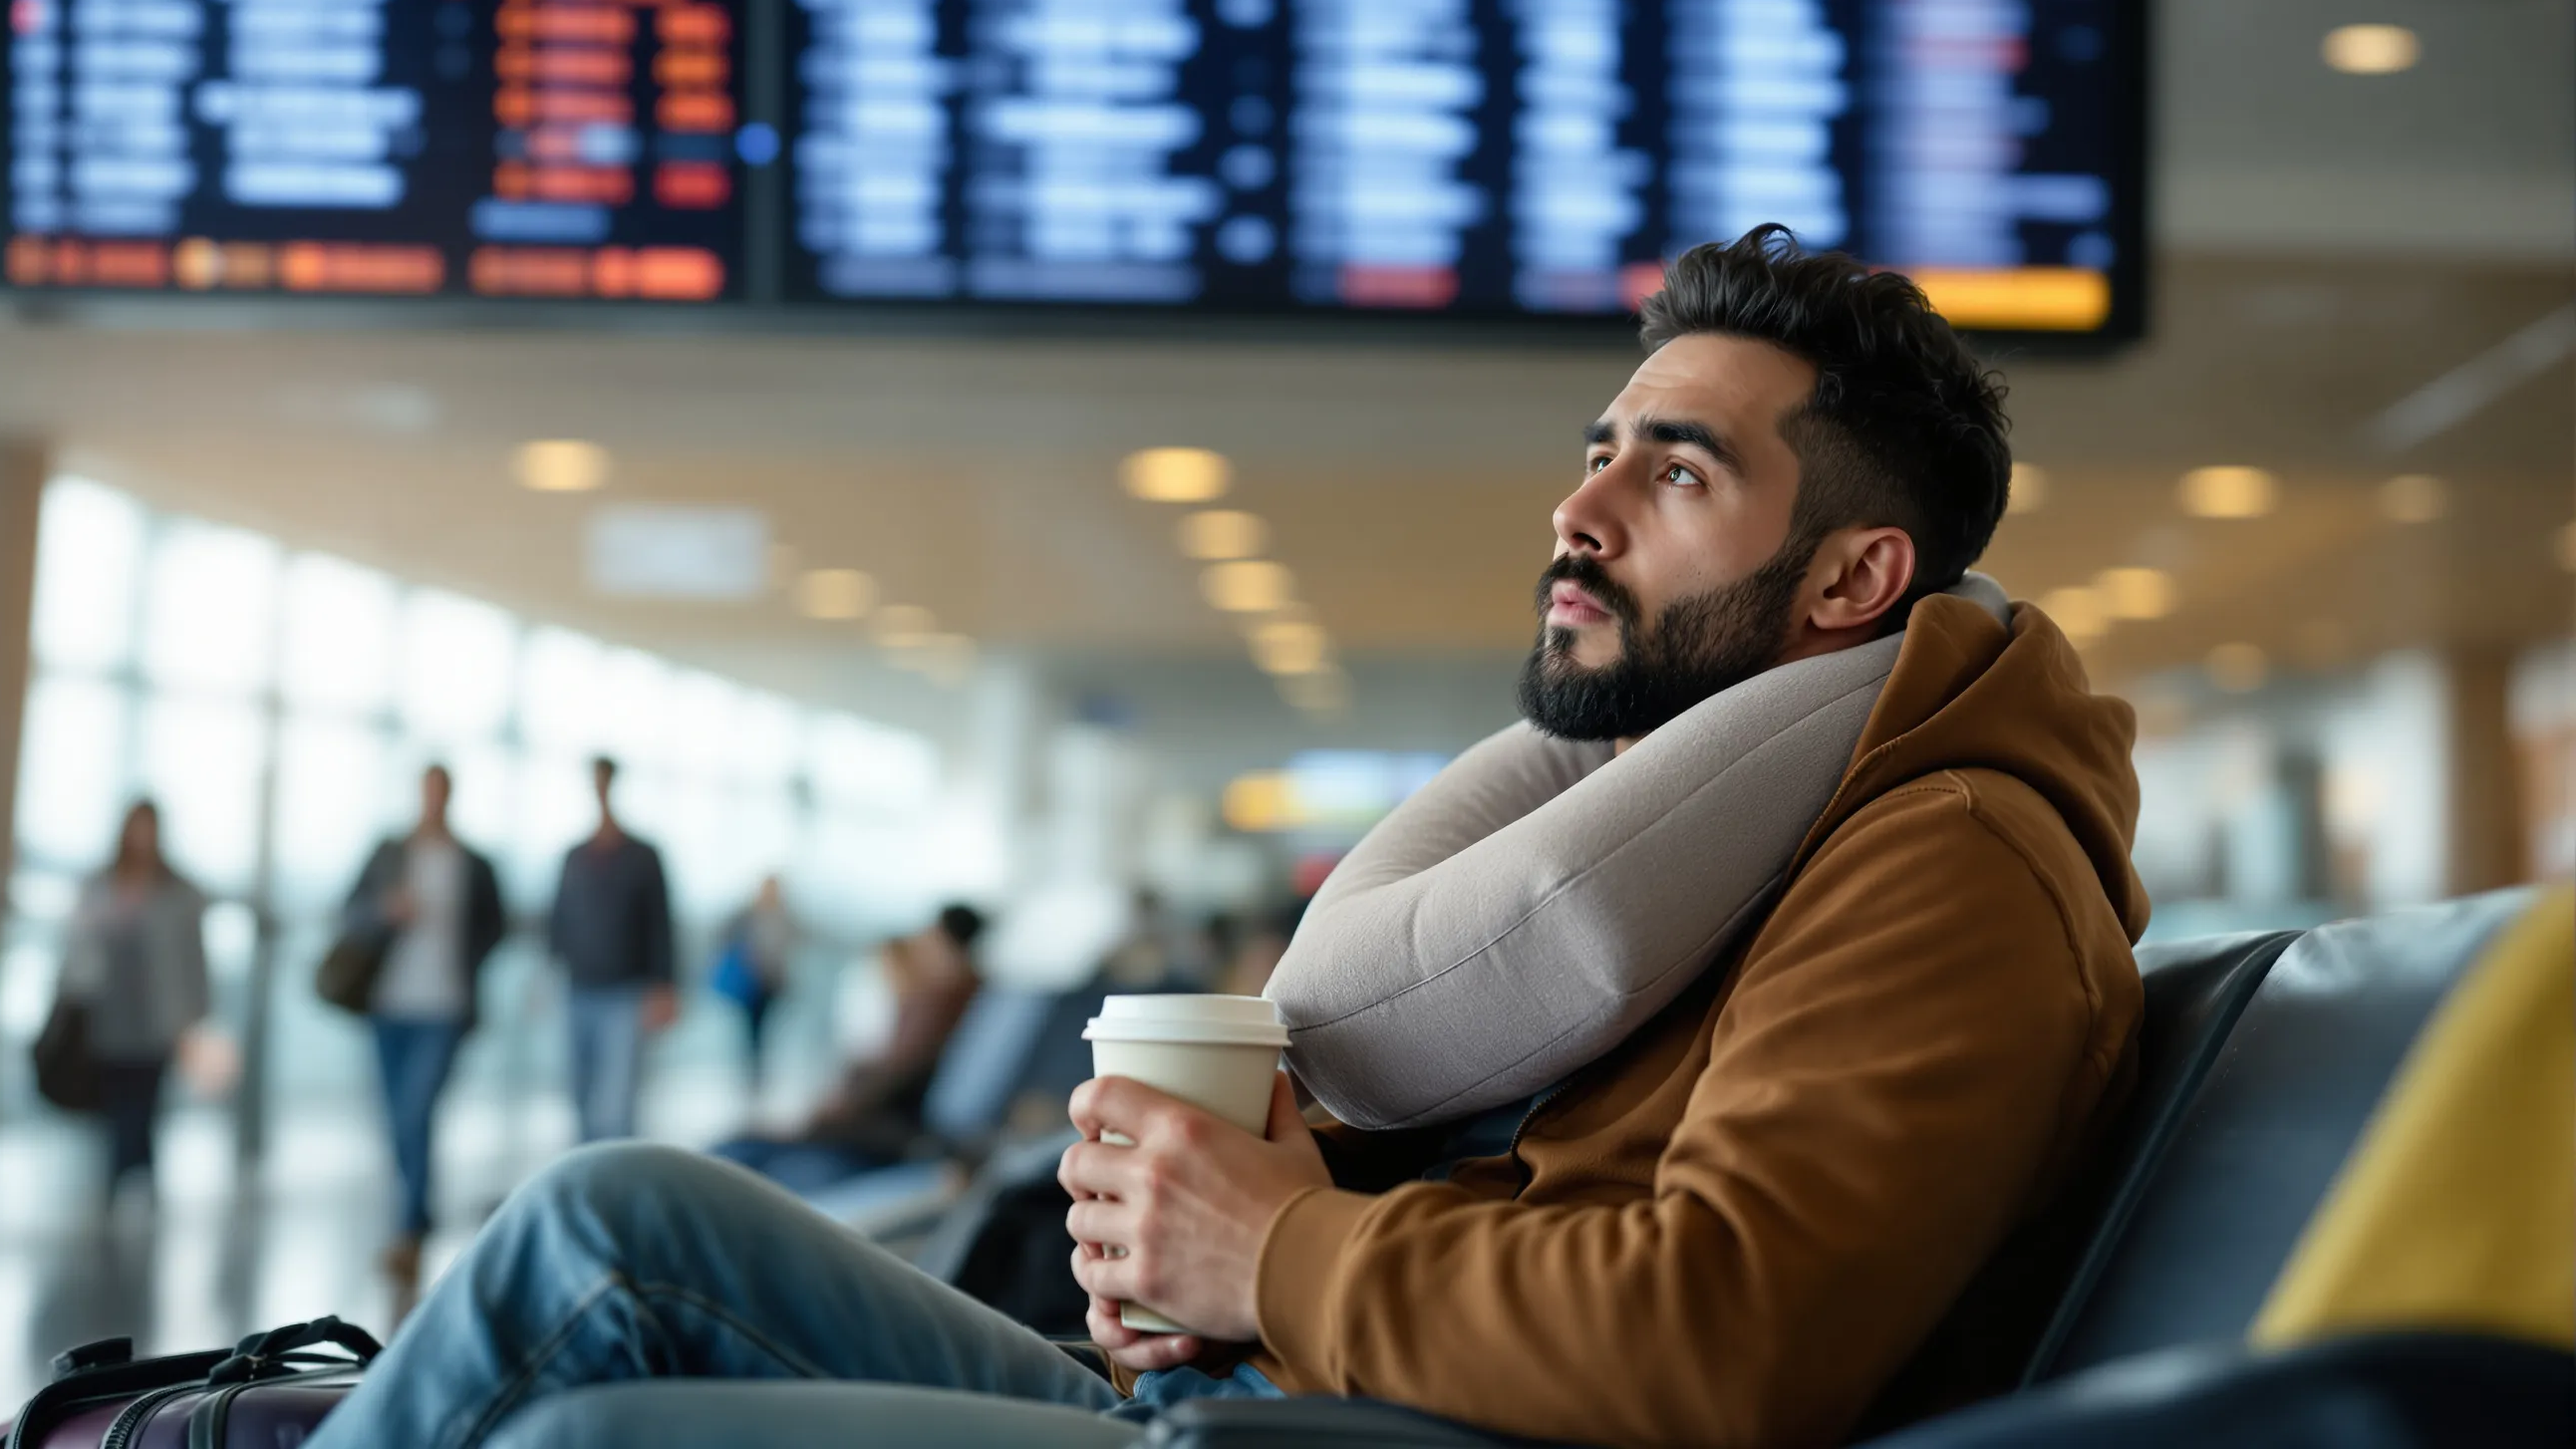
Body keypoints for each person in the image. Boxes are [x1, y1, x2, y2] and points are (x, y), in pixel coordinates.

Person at [306, 225, 2147, 1449]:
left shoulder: (1943, 858)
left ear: (1853, 574)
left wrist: (1274, 1253)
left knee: (599, 1433)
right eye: (1599, 449)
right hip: (1295, 1401)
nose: (1579, 510)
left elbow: (1726, 1332)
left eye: (1675, 471)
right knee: (604, 1216)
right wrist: (1240, 1233)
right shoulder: (1718, 823)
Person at [342, 763, 507, 1290]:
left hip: (445, 1005)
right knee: (397, 1117)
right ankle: (416, 1214)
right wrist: (384, 911)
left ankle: (410, 1224)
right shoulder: (391, 852)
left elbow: (495, 924)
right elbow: (349, 911)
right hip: (389, 1003)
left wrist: (470, 960)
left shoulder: (473, 862)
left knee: (417, 1110)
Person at [711, 903, 986, 1193]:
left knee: (737, 1150)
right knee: (739, 1150)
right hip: (883, 1124)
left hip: (880, 1130)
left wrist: (832, 1111)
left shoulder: (940, 1001)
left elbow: (898, 1072)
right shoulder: (966, 996)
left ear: (942, 939)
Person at [55, 799, 209, 1204]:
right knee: (114, 1095)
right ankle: (124, 1172)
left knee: (147, 1095)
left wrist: (197, 1015)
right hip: (108, 1008)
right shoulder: (100, 883)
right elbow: (75, 946)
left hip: (159, 1011)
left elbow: (194, 957)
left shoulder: (178, 890)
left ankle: (135, 1171)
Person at [547, 755, 679, 1144]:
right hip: (578, 987)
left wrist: (664, 986)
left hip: (626, 990)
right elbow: (558, 919)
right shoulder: (575, 856)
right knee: (579, 1093)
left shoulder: (643, 855)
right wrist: (548, 974)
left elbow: (660, 923)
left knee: (618, 1103)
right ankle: (584, 1180)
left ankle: (614, 1185)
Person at [711, 874, 800, 1086]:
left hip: (771, 983)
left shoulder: (784, 916)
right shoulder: (746, 915)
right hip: (749, 982)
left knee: (763, 1028)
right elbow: (722, 935)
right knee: (751, 1028)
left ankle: (757, 1068)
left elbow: (798, 939)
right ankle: (752, 1070)